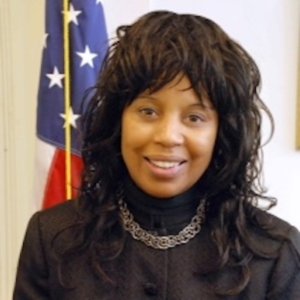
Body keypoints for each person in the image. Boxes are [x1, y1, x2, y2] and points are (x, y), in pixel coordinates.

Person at [13, 10, 300, 299]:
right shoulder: (51, 238)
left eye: (194, 117)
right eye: (148, 111)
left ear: (222, 132)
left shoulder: (275, 255)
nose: (167, 136)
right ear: (118, 120)